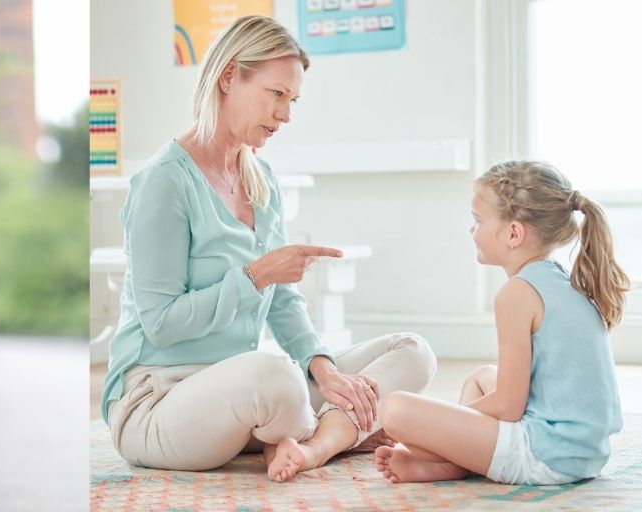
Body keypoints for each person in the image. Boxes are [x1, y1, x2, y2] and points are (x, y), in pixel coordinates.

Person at [101, 15, 437, 483]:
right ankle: (339, 435)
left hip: (239, 391)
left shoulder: (261, 178)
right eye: (276, 94)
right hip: (158, 399)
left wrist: (324, 370)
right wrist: (254, 276)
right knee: (276, 376)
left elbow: (281, 301)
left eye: (293, 99)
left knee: (412, 351)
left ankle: (313, 441)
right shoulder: (164, 181)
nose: (286, 115)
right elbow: (160, 325)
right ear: (228, 77)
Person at [375, 160, 628, 485]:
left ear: (513, 232)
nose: (472, 230)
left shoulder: (517, 293)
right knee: (481, 378)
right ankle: (456, 461)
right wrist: (450, 425)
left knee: (395, 409)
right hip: (587, 452)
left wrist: (441, 429)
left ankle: (451, 457)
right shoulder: (559, 279)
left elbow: (509, 405)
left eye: (478, 220)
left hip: (546, 456)